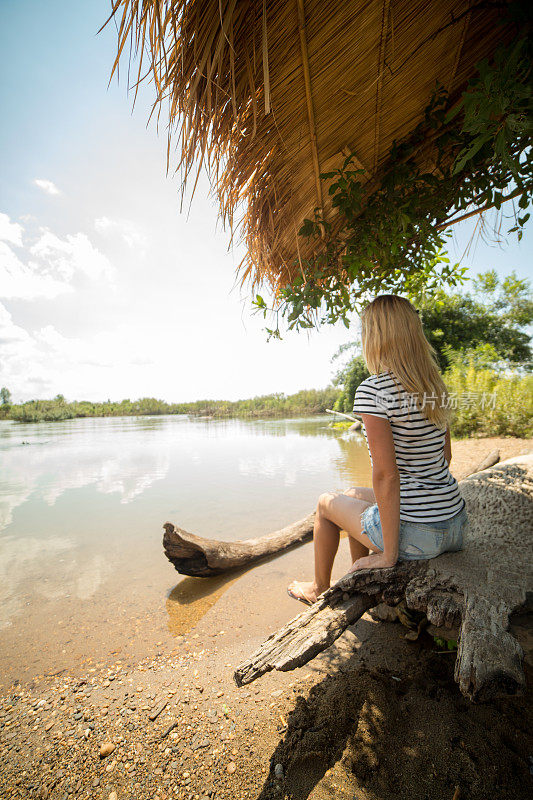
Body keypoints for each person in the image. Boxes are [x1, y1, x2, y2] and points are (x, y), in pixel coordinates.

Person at [287, 294, 468, 606]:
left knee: (324, 504)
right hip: (454, 524)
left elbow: (386, 476)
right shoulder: (434, 387)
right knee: (353, 494)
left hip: (420, 534)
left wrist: (389, 555)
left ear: (375, 336)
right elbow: (445, 457)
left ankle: (318, 587)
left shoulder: (374, 390)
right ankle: (360, 580)